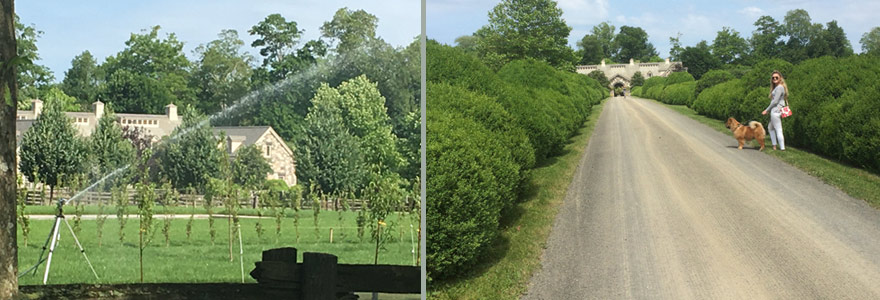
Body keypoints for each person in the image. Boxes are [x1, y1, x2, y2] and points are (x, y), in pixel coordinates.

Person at [761, 70, 788, 151]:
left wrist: (767, 110)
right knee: (770, 128)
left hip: (775, 110)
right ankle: (774, 146)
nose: (774, 79)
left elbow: (775, 101)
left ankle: (782, 148)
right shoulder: (779, 87)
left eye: (776, 77)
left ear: (780, 78)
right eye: (773, 78)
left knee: (778, 129)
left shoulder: (779, 87)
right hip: (778, 110)